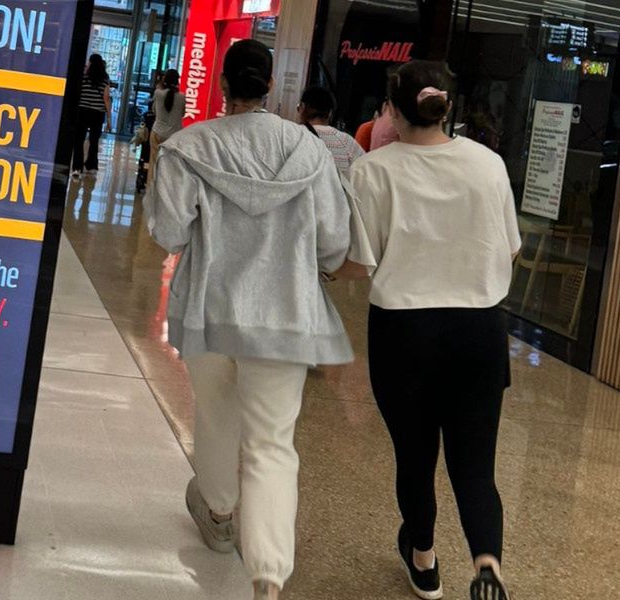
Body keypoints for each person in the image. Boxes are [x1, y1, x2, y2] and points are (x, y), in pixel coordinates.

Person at [147, 39, 353, 600]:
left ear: (222, 84)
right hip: (286, 316)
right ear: (270, 87)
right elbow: (335, 244)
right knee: (271, 445)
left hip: (210, 311)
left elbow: (167, 232)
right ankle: (267, 576)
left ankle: (218, 509)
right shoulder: (308, 153)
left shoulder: (188, 148)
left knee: (215, 418)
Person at [338, 60, 520, 600]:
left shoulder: (373, 170)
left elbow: (358, 262)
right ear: (448, 108)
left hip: (405, 334)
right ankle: (488, 567)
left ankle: (423, 560)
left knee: (415, 458)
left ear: (392, 111)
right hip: (480, 333)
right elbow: (511, 245)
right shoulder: (488, 165)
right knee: (476, 467)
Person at [297, 85, 365, 175]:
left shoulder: (293, 136)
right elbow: (364, 172)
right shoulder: (347, 141)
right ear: (330, 113)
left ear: (302, 108)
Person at [71, 54, 112, 179]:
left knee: (79, 140)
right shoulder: (105, 79)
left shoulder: (83, 76)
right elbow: (106, 99)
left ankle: (77, 168)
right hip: (97, 113)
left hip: (83, 111)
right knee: (94, 141)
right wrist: (109, 118)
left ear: (91, 63)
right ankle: (91, 166)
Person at [148, 69, 185, 190]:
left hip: (157, 132)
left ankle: (152, 189)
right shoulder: (181, 97)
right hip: (174, 136)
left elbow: (153, 110)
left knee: (154, 162)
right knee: (170, 164)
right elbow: (182, 114)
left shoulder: (158, 93)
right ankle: (166, 190)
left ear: (164, 80)